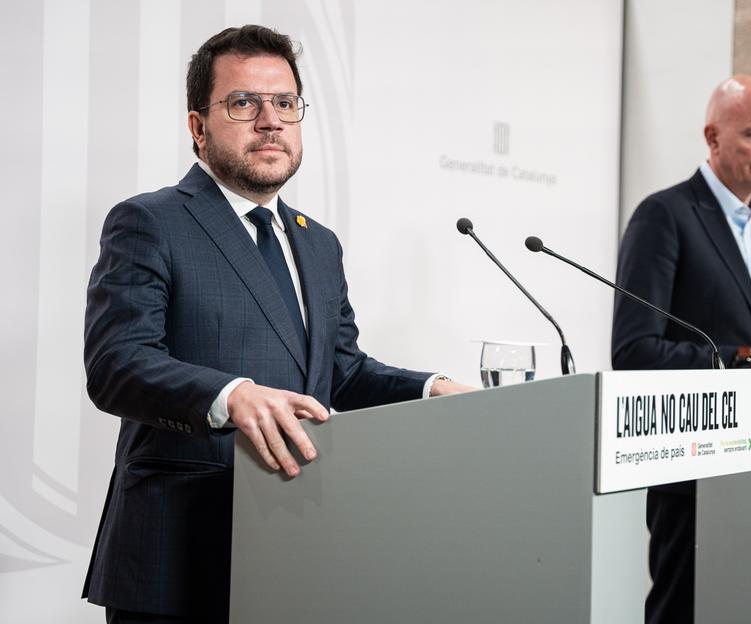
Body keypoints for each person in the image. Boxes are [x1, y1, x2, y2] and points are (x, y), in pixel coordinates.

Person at [82, 25, 471, 623]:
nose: (270, 121)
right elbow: (117, 365)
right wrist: (230, 394)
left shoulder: (319, 244)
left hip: (294, 545)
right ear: (198, 126)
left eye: (285, 103)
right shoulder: (151, 221)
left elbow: (340, 370)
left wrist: (431, 389)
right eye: (244, 103)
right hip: (178, 552)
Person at [611, 74, 751, 624]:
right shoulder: (665, 216)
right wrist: (747, 361)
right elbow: (635, 351)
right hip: (694, 471)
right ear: (712, 137)